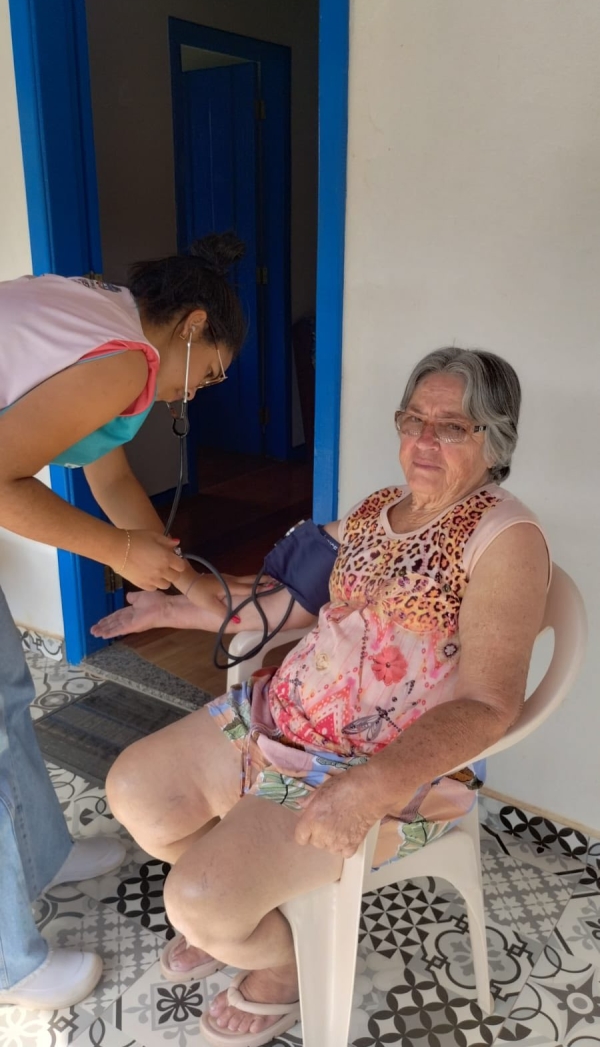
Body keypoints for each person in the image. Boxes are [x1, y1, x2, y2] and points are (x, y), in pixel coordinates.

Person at [93, 347, 550, 1047]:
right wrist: (178, 604)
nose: (423, 440)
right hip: (277, 722)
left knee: (199, 898)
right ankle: (247, 912)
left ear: (496, 437)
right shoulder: (375, 512)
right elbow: (279, 601)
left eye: (451, 426)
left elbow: (491, 704)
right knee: (135, 790)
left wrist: (373, 785)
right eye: (413, 418)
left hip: (374, 770)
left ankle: (279, 963)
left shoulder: (504, 538)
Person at [0, 233, 247, 1009]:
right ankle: (12, 964)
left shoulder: (108, 317)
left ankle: (42, 853)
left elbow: (106, 473)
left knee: (9, 698)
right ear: (194, 324)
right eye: (206, 375)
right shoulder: (125, 360)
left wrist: (173, 573)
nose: (192, 395)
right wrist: (117, 551)